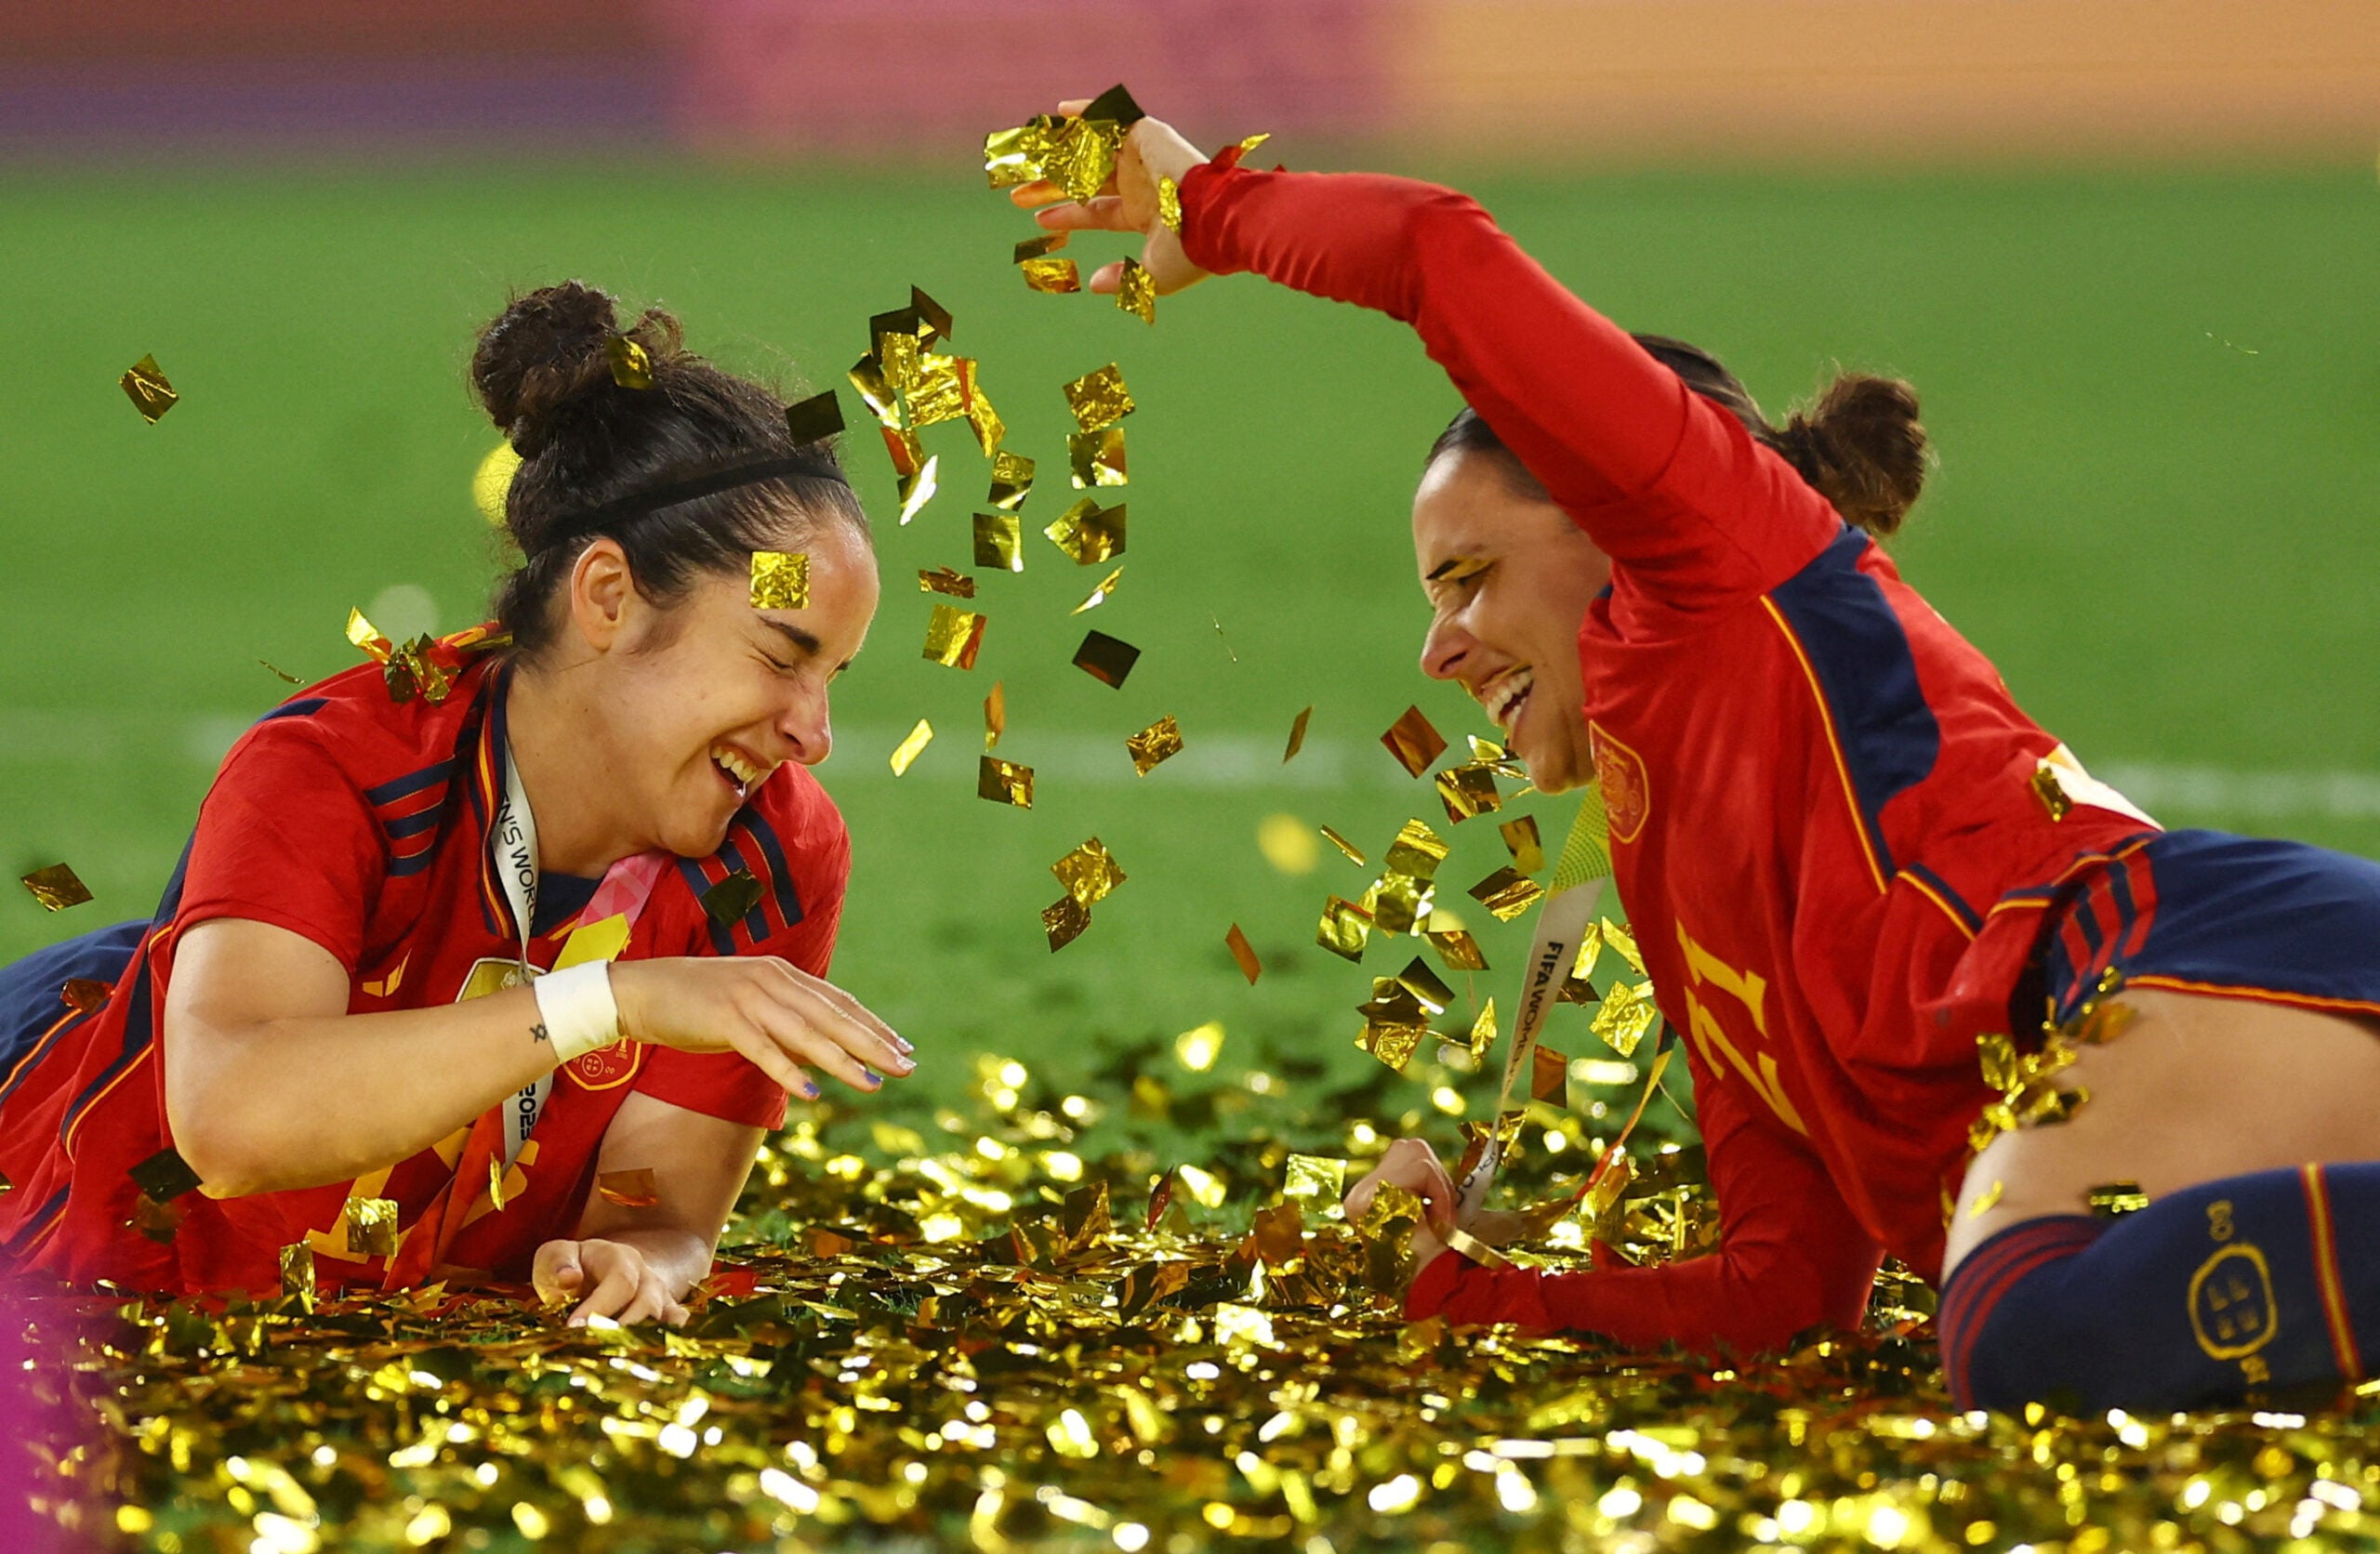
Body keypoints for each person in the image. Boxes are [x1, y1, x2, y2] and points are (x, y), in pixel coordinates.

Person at [1011, 102, 2380, 1412]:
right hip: (2196, 1032)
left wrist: (1215, 206)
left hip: (2179, 954)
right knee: (2052, 1342)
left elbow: (1439, 252)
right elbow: (1782, 1298)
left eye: (1471, 578)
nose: (1441, 651)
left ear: (1616, 518)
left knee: (2021, 1333)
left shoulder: (1720, 560)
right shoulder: (1679, 889)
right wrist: (1436, 1293)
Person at [0, 283, 912, 1326]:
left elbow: (659, 1202)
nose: (814, 730)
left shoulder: (777, 850)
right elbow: (230, 1123)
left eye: (832, 675)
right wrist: (607, 999)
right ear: (608, 597)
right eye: (779, 656)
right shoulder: (335, 764)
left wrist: (645, 1258)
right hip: (71, 1139)